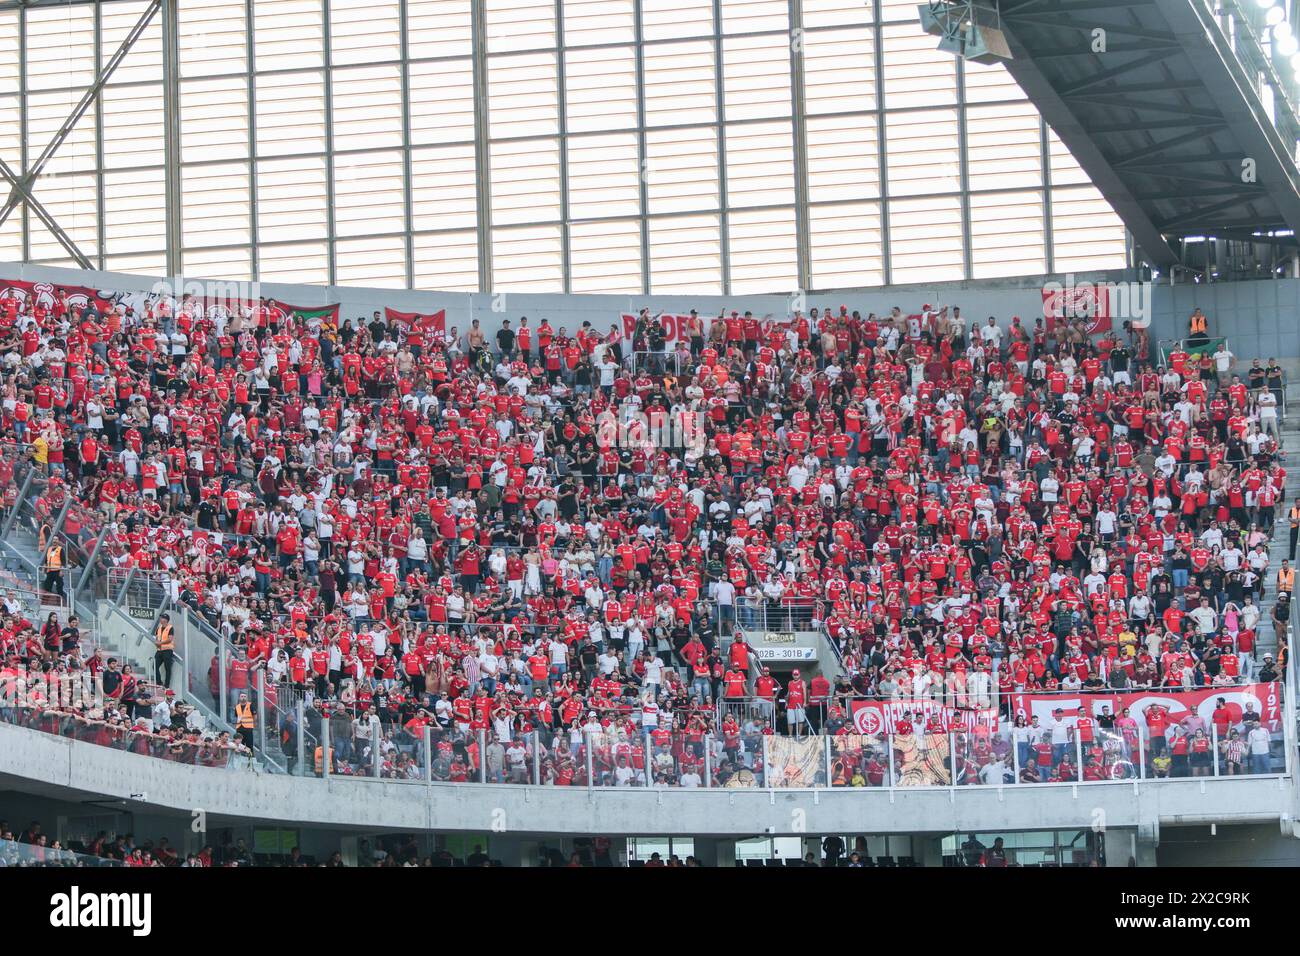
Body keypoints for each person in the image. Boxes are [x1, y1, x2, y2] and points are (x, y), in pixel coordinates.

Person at [152, 613, 176, 688]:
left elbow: (170, 639)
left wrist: (160, 643)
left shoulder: (170, 627)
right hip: (159, 650)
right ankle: (159, 682)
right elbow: (157, 638)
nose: (160, 619)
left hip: (167, 650)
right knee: (155, 666)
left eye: (162, 618)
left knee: (167, 668)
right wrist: (156, 643)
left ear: (165, 620)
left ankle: (166, 685)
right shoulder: (158, 628)